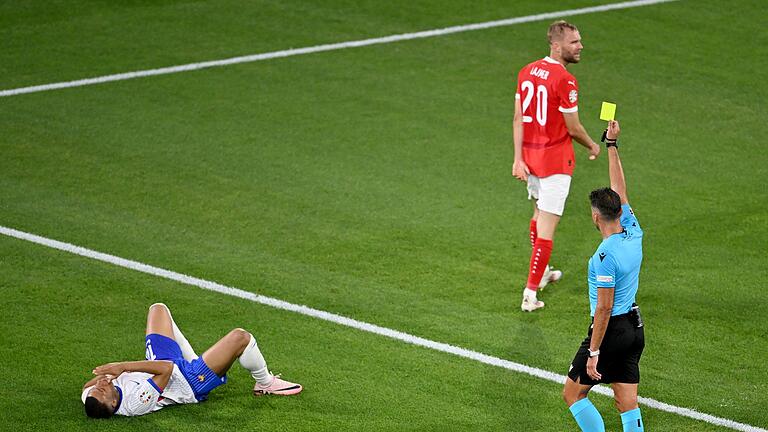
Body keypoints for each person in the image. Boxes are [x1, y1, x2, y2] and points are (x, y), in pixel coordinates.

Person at [512, 20, 602, 312]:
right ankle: (530, 294)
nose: (580, 47)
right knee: (547, 229)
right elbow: (573, 128)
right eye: (574, 42)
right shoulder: (565, 80)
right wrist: (592, 145)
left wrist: (517, 158)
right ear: (556, 45)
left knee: (538, 214)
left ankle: (543, 272)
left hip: (531, 157)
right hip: (554, 162)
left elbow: (517, 119)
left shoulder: (526, 71)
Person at [562, 120, 645, 432]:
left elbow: (604, 308)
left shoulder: (603, 257)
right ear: (619, 213)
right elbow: (620, 190)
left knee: (573, 393)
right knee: (626, 402)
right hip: (635, 329)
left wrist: (594, 352)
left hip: (611, 331)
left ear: (595, 216)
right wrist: (612, 145)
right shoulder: (633, 232)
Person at [81, 303, 302, 418]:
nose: (99, 386)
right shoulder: (135, 403)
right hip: (187, 382)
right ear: (112, 404)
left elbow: (87, 387)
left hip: (163, 363)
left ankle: (197, 359)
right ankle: (265, 383)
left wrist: (103, 382)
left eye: (95, 390)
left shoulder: (91, 398)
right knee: (240, 338)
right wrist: (122, 367)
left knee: (158, 309)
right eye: (102, 391)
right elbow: (166, 370)